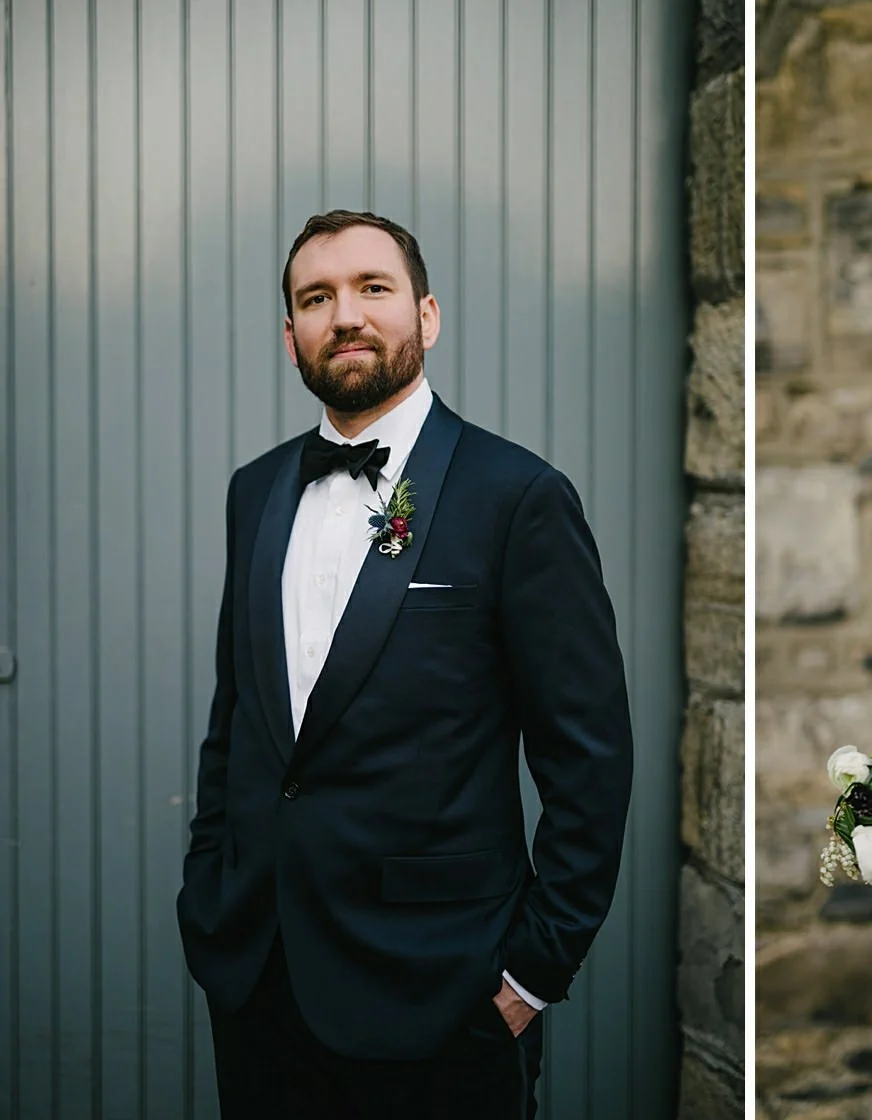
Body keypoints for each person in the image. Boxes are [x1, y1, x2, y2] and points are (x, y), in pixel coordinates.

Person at [176, 210, 633, 1119]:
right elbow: (239, 721)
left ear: (426, 317)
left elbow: (590, 760)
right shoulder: (255, 491)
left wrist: (530, 977)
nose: (345, 315)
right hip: (259, 985)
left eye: (372, 289)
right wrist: (210, 898)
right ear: (290, 333)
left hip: (444, 997)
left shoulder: (518, 498)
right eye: (317, 297)